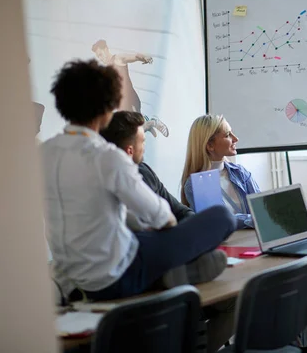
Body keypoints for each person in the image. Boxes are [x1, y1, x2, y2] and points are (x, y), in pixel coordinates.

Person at [42, 60, 235, 305]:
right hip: (115, 277)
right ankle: (170, 271)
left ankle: (171, 273)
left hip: (71, 275)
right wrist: (176, 241)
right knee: (222, 217)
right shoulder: (107, 156)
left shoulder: (44, 153)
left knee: (140, 238)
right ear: (107, 109)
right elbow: (160, 216)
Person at [100, 110, 236, 352]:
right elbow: (155, 221)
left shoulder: (146, 171)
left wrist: (189, 234)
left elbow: (180, 211)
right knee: (223, 220)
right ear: (130, 150)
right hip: (143, 254)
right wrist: (181, 239)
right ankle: (172, 271)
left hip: (161, 250)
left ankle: (176, 269)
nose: (145, 146)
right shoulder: (115, 179)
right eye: (143, 141)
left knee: (216, 234)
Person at [181, 114, 260, 230]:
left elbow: (261, 212)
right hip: (225, 245)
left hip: (252, 241)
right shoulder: (195, 185)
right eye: (228, 135)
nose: (235, 139)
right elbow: (218, 222)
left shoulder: (240, 172)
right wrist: (251, 220)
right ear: (210, 145)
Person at [91, 39, 169, 138]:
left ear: (106, 49)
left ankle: (152, 122)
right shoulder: (107, 71)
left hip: (131, 101)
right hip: (121, 107)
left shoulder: (118, 59)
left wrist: (144, 57)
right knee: (128, 134)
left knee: (134, 132)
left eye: (100, 54)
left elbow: (135, 56)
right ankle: (147, 123)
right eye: (98, 56)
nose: (100, 58)